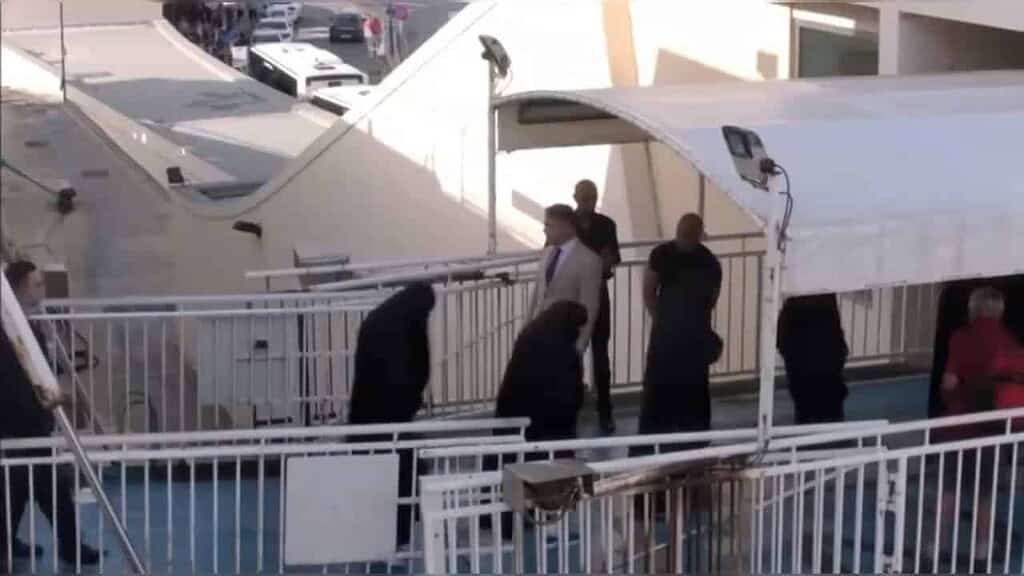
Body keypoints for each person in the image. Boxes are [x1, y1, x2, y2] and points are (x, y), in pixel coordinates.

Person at [0, 261, 101, 568]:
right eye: (36, 284)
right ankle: (69, 547)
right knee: (47, 488)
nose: (41, 290)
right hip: (21, 421)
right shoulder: (14, 331)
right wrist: (51, 402)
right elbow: (15, 380)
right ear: (18, 288)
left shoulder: (25, 327)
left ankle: (8, 544)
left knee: (18, 489)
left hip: (24, 421)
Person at [934, 286, 1021, 568]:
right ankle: (982, 552)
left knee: (949, 489)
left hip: (960, 424)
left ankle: (934, 547)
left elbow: (949, 383)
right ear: (1000, 312)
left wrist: (951, 399)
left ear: (974, 309)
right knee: (985, 494)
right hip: (994, 428)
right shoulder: (1012, 345)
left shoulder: (961, 338)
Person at [347, 282, 435, 548]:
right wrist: (411, 400)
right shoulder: (404, 326)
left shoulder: (381, 318)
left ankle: (379, 533)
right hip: (389, 416)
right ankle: (398, 536)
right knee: (400, 475)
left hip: (367, 414)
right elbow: (405, 373)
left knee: (377, 475)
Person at [634, 214, 722, 454]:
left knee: (660, 388)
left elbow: (649, 292)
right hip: (688, 333)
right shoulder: (709, 262)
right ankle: (693, 438)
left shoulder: (662, 255)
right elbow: (712, 299)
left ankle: (655, 438)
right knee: (691, 388)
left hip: (672, 334)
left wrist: (661, 319)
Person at [496, 301, 588, 444]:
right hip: (546, 431)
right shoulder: (564, 351)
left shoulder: (529, 335)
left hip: (511, 421)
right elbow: (569, 396)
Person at [573, 180, 621, 435]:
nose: (588, 202)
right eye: (584, 197)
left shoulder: (606, 224)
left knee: (600, 357)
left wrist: (595, 263)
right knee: (573, 356)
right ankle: (572, 409)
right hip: (573, 298)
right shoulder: (567, 224)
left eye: (591, 197)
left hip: (597, 296)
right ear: (575, 197)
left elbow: (611, 259)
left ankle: (605, 413)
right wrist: (597, 261)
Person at [528, 204, 602, 357]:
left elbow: (590, 305)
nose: (544, 230)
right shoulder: (547, 253)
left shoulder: (589, 260)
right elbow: (538, 293)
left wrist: (580, 346)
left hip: (566, 337)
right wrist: (527, 328)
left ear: (566, 227)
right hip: (539, 333)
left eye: (549, 225)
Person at [777, 294, 849, 424]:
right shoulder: (825, 300)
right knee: (831, 410)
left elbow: (783, 341)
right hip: (827, 371)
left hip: (804, 371)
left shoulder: (795, 304)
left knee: (806, 408)